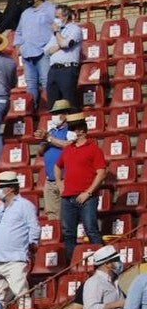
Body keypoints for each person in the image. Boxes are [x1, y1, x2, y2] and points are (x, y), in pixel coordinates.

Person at [56, 112, 107, 261]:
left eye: (71, 130)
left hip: (87, 197)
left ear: (81, 131)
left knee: (91, 229)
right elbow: (57, 166)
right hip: (68, 197)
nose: (69, 133)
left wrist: (88, 192)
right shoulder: (67, 149)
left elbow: (101, 172)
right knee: (68, 233)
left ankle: (102, 261)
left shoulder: (94, 149)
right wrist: (59, 183)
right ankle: (73, 264)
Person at [0, 170, 40, 305]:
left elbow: (33, 227)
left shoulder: (25, 205)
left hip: (15, 259)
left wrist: (31, 243)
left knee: (21, 294)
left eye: (0, 187)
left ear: (9, 189)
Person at [14, 0, 56, 111]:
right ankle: (33, 109)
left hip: (43, 52)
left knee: (46, 81)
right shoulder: (25, 13)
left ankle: (52, 108)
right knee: (30, 84)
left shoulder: (51, 8)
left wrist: (49, 47)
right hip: (27, 52)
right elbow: (19, 31)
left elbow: (58, 27)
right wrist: (18, 45)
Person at [37, 99, 74, 220]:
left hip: (65, 179)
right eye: (53, 113)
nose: (54, 116)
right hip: (50, 180)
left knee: (67, 215)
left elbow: (69, 145)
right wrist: (43, 140)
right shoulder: (51, 131)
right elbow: (40, 152)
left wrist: (49, 139)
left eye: (57, 113)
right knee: (52, 215)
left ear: (66, 114)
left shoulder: (71, 130)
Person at [47, 4, 82, 107]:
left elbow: (66, 44)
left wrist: (57, 34)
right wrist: (60, 43)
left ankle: (74, 123)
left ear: (65, 17)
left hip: (67, 69)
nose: (55, 20)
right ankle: (58, 123)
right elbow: (48, 50)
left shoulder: (75, 30)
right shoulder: (56, 33)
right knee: (53, 104)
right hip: (53, 70)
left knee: (69, 101)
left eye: (57, 17)